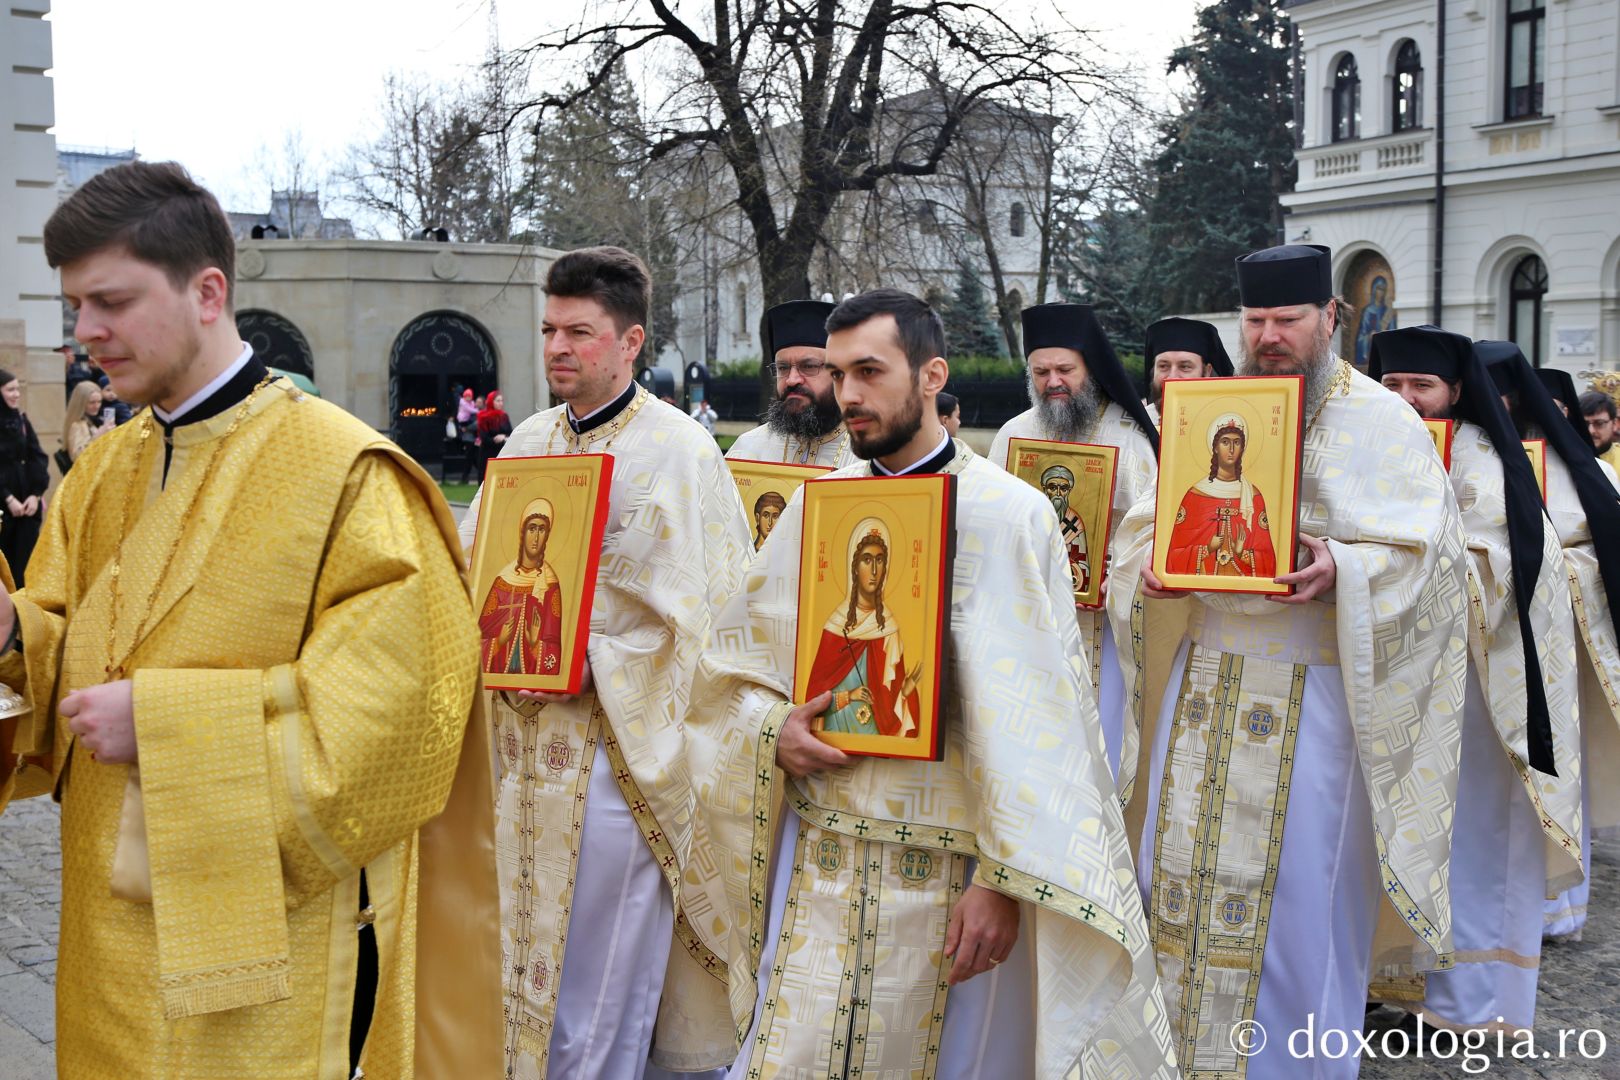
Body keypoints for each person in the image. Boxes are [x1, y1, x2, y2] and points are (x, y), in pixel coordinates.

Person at [0, 160, 500, 1076]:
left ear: (207, 292)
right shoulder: (102, 468)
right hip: (100, 940)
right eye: (75, 306)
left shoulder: (349, 473)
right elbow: (64, 636)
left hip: (259, 958)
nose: (87, 332)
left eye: (111, 301)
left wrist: (164, 725)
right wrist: (9, 632)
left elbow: (397, 725)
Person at [668, 287, 1176, 1079]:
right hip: (823, 859)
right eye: (839, 373)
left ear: (932, 375)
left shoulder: (1010, 516)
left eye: (869, 371)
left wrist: (1001, 884)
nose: (848, 394)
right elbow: (730, 673)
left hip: (953, 873)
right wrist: (775, 731)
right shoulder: (816, 507)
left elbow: (1046, 727)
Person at [1107, 244, 1467, 1079]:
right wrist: (1149, 569)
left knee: (1299, 904)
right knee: (1179, 882)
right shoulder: (1207, 410)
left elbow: (1434, 560)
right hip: (1203, 691)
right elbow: (1141, 530)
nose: (1269, 336)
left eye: (1288, 319)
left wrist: (1347, 567)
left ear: (1330, 318)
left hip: (1317, 707)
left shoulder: (1384, 421)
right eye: (1256, 320)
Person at [456, 246, 752, 1078]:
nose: (557, 347)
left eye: (579, 332)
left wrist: (598, 659)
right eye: (549, 329)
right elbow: (475, 574)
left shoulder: (680, 451)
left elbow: (714, 626)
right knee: (509, 964)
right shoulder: (527, 441)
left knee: (597, 992)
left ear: (630, 342)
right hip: (515, 758)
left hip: (614, 764)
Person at [1371, 326, 1581, 1035]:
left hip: (1475, 688)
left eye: (1421, 386)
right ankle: (1388, 978)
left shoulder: (1483, 458)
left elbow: (1505, 562)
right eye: (1392, 384)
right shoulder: (1371, 449)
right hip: (1392, 680)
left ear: (1455, 392)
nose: (1405, 399)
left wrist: (1402, 566)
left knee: (1471, 839)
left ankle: (1467, 1002)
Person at [1484, 343, 1620, 947]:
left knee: (1559, 766)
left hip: (1562, 648)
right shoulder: (1472, 463)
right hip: (1491, 639)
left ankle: (1557, 908)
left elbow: (1602, 553)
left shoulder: (1588, 473)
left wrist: (1554, 567)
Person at [988, 302, 1159, 779]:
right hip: (1033, 625)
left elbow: (1155, 529)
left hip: (1105, 632)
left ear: (1091, 367)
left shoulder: (1130, 438)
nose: (1053, 382)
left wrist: (1119, 574)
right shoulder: (1014, 434)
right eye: (1041, 372)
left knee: (1096, 756)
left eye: (1065, 370)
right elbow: (991, 522)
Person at [804, 517, 921, 737]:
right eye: (867, 560)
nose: (874, 570)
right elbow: (812, 703)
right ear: (855, 567)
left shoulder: (889, 630)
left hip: (875, 739)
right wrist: (849, 696)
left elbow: (891, 707)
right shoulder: (835, 626)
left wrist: (906, 693)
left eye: (880, 560)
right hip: (835, 735)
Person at [727, 300, 856, 466]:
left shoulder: (873, 455)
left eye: (809, 366)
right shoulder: (748, 450)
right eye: (783, 368)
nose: (792, 380)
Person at [1163, 413, 1278, 578]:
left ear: (1242, 448)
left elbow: (1269, 561)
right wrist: (1207, 548)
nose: (1231, 449)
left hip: (1244, 588)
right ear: (1215, 447)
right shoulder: (1195, 495)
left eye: (1236, 442)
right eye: (1225, 442)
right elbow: (1173, 557)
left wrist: (1242, 553)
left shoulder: (1254, 496)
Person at [478, 498, 564, 677]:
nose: (536, 537)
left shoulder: (550, 584)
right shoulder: (503, 581)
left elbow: (554, 645)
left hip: (533, 679)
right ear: (522, 532)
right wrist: (498, 641)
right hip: (498, 678)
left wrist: (535, 644)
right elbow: (477, 639)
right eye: (532, 528)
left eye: (542, 529)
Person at [0, 370, 49, 586]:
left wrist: (35, 495)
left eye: (18, 389)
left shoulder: (20, 420)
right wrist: (8, 498)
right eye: (10, 389)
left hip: (26, 505)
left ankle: (22, 606)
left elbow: (37, 456)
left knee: (26, 567)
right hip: (4, 506)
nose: (16, 394)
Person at [1143, 315, 1233, 426]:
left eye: (1185, 367)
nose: (1172, 377)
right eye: (1163, 366)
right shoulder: (1138, 425)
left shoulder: (1225, 423)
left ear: (1207, 372)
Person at [1041, 463, 1090, 592]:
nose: (1058, 493)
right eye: (1052, 487)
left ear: (1069, 491)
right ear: (1044, 489)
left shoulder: (1074, 523)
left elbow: (1082, 566)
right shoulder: (1035, 515)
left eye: (1063, 488)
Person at [61, 378, 112, 465]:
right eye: (92, 402)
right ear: (81, 403)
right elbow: (78, 457)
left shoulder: (89, 420)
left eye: (99, 402)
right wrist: (99, 435)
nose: (97, 406)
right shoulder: (77, 425)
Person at [1579, 389, 1620, 472]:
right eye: (1584, 424)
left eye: (1599, 423)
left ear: (1614, 423)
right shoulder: (1562, 459)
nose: (1591, 431)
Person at [475, 388, 511, 480]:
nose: (501, 403)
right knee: (486, 480)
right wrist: (496, 439)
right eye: (498, 401)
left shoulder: (504, 416)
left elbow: (510, 433)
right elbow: (484, 437)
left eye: (502, 401)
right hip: (487, 453)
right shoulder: (483, 417)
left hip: (502, 452)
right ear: (491, 402)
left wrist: (503, 437)